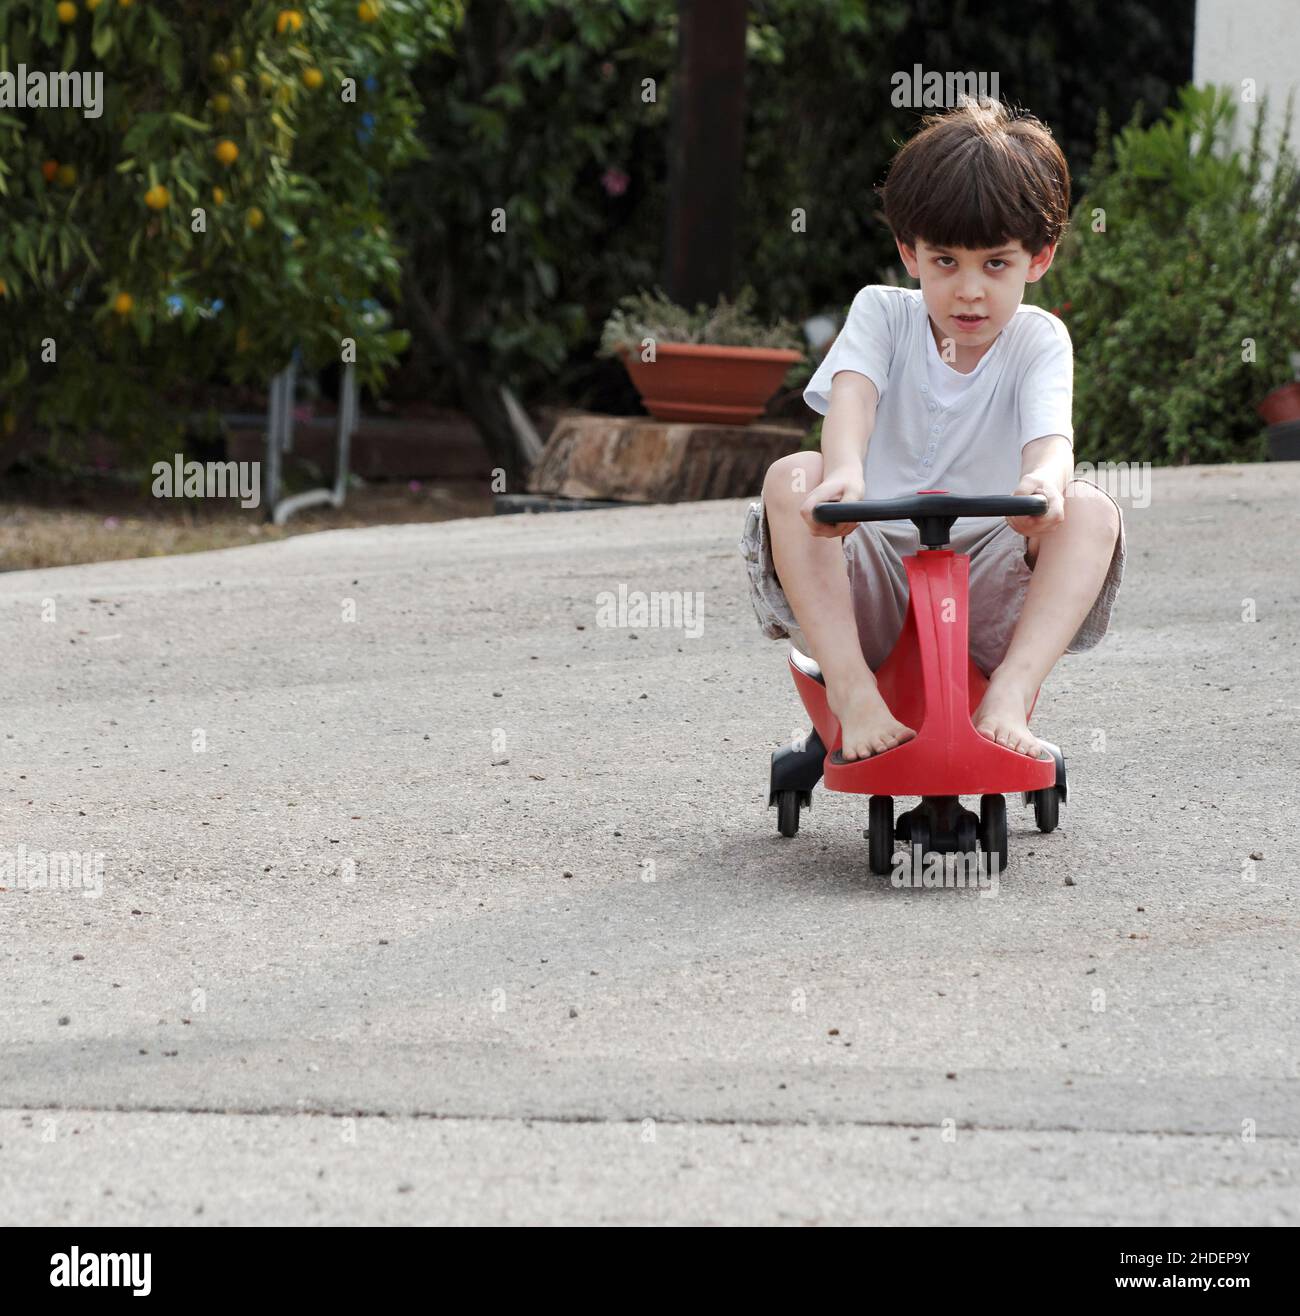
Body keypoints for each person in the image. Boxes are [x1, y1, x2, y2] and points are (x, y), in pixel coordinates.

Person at [741, 97, 1124, 763]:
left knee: (1091, 509)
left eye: (995, 264)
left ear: (1040, 258)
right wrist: (845, 474)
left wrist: (1042, 485)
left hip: (988, 577)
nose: (969, 291)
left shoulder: (1038, 340)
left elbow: (1050, 441)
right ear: (908, 252)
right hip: (877, 566)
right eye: (945, 261)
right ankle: (855, 694)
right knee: (790, 476)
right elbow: (851, 400)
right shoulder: (882, 315)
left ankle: (1009, 693)